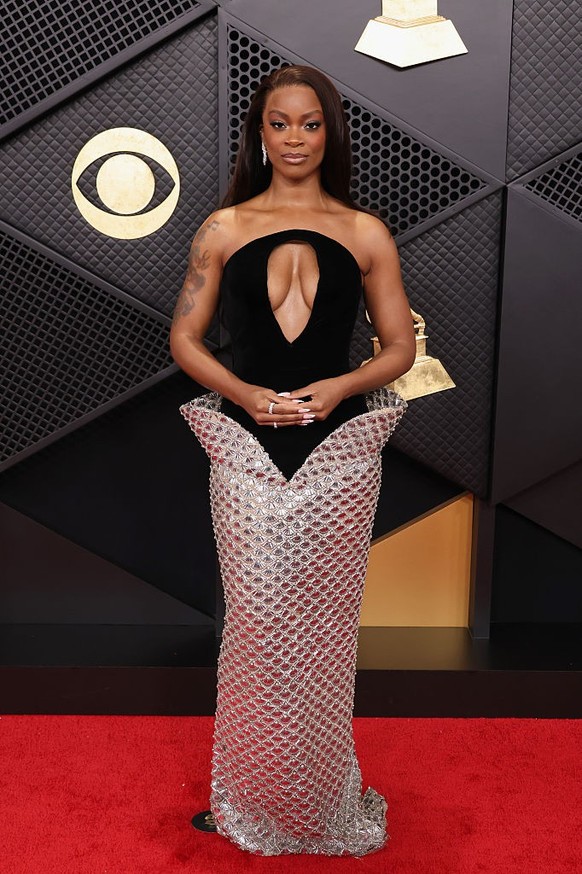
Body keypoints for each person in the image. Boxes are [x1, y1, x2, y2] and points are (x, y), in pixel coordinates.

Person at [170, 64, 416, 857]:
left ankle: (317, 799)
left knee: (324, 628)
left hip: (338, 452)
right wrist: (244, 395)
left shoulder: (366, 231)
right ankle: (247, 797)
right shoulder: (222, 228)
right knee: (254, 623)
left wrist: (340, 384)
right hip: (245, 448)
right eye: (282, 124)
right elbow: (184, 338)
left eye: (311, 124)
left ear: (329, 132)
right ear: (261, 133)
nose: (297, 139)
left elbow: (400, 347)